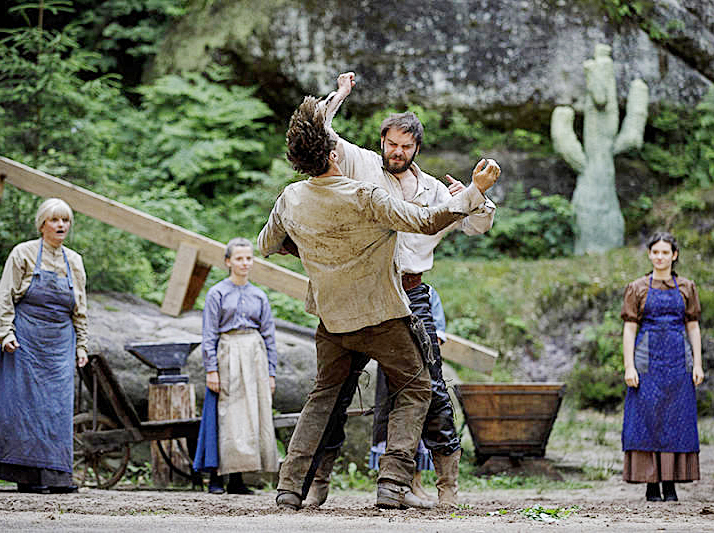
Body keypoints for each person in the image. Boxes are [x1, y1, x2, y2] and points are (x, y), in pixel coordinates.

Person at [258, 95, 500, 510]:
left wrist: (314, 252)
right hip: (383, 310)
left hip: (340, 312)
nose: (397, 151)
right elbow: (426, 220)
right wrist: (474, 191)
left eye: (405, 145)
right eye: (391, 143)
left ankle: (290, 486)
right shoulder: (366, 189)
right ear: (336, 153)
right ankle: (392, 482)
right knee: (417, 386)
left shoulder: (290, 197)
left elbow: (268, 244)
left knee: (325, 395)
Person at [0, 198, 88, 494]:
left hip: (60, 343)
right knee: (25, 406)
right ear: (42, 225)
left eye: (65, 220)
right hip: (25, 340)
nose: (61, 225)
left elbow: (80, 308)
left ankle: (57, 476)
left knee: (57, 408)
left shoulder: (74, 261)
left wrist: (81, 346)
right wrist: (5, 331)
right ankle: (27, 476)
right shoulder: (22, 253)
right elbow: (5, 296)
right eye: (54, 220)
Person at [621, 232, 704, 502]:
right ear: (649, 254)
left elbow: (693, 326)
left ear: (674, 255)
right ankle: (650, 485)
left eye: (665, 252)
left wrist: (698, 364)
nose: (660, 257)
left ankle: (670, 485)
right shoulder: (637, 288)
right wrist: (629, 366)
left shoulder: (687, 287)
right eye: (655, 252)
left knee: (676, 421)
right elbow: (629, 329)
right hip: (646, 364)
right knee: (647, 421)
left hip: (679, 362)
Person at [192, 237, 279, 495]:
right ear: (228, 262)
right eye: (239, 258)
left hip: (254, 355)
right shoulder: (218, 293)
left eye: (248, 258)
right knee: (227, 415)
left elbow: (269, 334)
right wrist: (211, 369)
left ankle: (238, 480)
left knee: (250, 416)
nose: (245, 263)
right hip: (228, 353)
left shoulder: (258, 296)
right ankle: (218, 476)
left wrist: (271, 372)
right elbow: (209, 334)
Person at [366, 287, 449, 505]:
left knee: (419, 422)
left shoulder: (428, 293)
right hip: (391, 367)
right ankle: (394, 483)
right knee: (390, 418)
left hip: (420, 364)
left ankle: (416, 483)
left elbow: (436, 335)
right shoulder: (384, 287)